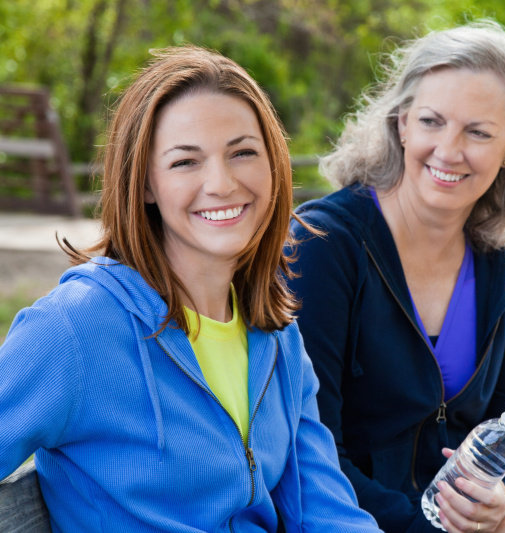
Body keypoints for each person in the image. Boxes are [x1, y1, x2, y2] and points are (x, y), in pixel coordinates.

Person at [0, 46, 382, 533]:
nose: (221, 183)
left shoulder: (279, 338)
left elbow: (328, 511)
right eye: (185, 162)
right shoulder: (76, 328)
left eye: (243, 153)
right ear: (144, 185)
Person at [287, 21, 505, 533]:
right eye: (431, 121)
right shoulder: (323, 245)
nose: (449, 150)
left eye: (478, 132)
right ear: (401, 123)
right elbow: (307, 450)